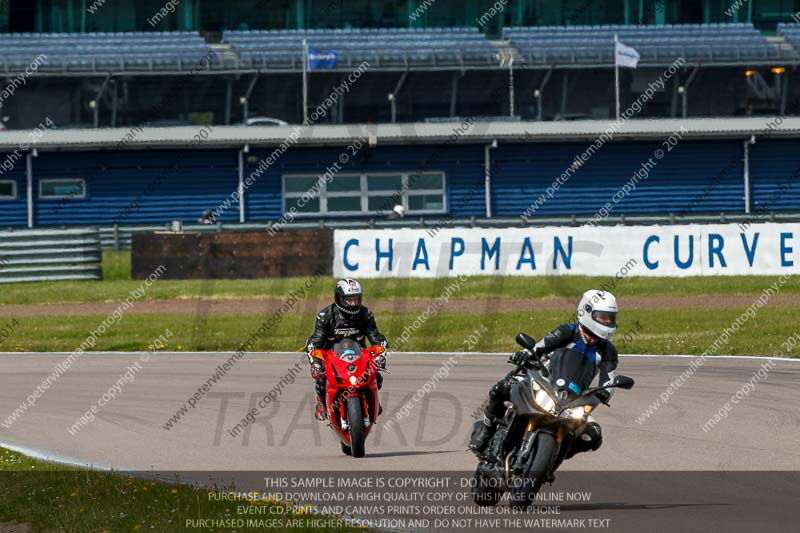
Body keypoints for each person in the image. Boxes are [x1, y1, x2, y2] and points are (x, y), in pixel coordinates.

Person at [469, 289, 620, 458]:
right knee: (502, 387)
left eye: (610, 318)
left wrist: (606, 391)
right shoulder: (567, 332)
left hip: (571, 400)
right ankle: (486, 427)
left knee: (593, 436)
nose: (607, 322)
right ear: (586, 311)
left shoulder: (608, 351)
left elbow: (609, 377)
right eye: (603, 317)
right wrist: (525, 354)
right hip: (542, 380)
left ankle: (553, 456)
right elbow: (539, 347)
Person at [307, 278, 388, 421]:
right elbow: (314, 343)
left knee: (376, 374)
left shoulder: (365, 314)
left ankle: (372, 400)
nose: (353, 303)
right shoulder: (325, 316)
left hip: (358, 354)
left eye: (356, 299)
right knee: (321, 376)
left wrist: (380, 355)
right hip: (332, 356)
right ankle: (321, 402)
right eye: (349, 300)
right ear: (339, 298)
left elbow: (377, 338)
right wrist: (315, 363)